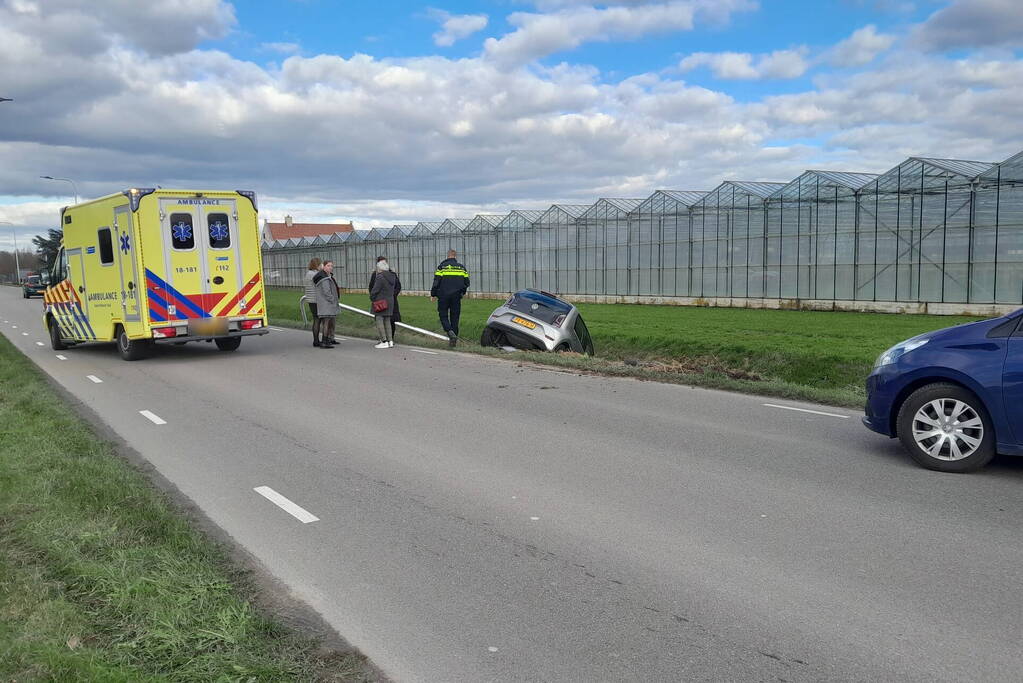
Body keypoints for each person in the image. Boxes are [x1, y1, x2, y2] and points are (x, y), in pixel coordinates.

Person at [431, 249, 469, 347]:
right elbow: (467, 283)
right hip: (456, 297)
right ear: (455, 256)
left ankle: (449, 331)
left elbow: (436, 282)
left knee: (443, 315)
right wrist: (462, 292)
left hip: (443, 296)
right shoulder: (462, 268)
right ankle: (454, 342)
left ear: (447, 256)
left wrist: (433, 294)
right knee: (455, 317)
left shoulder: (442, 267)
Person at [369, 256, 397, 349]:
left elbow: (375, 290)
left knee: (379, 320)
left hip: (380, 301)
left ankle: (384, 341)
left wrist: (372, 298)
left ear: (380, 268)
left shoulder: (380, 277)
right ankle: (390, 341)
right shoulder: (392, 276)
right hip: (390, 301)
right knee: (387, 321)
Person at [312, 260, 341, 349]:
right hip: (326, 303)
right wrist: (332, 300)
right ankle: (324, 341)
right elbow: (327, 291)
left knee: (326, 322)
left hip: (324, 303)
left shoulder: (324, 276)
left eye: (331, 266)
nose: (330, 267)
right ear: (323, 266)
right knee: (326, 322)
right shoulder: (324, 278)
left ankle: (326, 340)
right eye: (328, 266)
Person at [304, 257, 323, 347]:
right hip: (317, 299)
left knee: (316, 319)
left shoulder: (308, 274)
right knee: (318, 320)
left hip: (310, 299)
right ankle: (317, 340)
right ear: (317, 265)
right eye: (321, 264)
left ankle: (315, 340)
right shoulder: (316, 274)